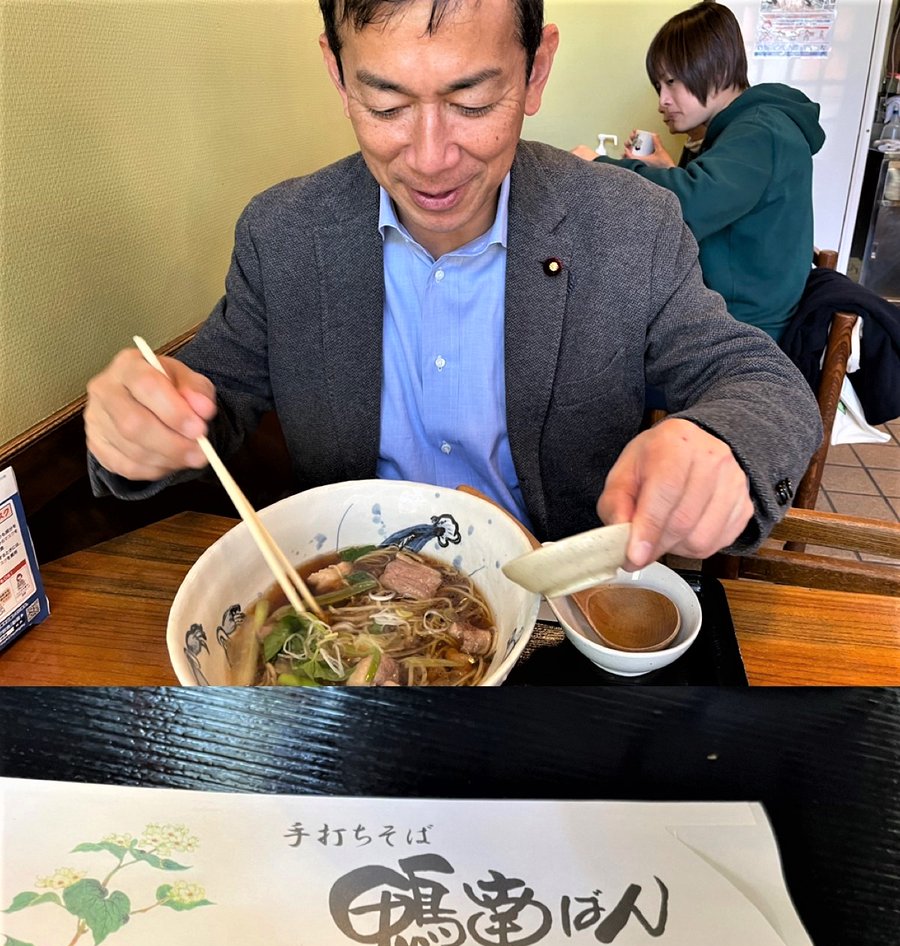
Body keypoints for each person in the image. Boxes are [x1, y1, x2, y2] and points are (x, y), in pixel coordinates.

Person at [85, 0, 822, 572]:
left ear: (536, 71)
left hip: (556, 616)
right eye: (386, 104)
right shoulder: (283, 236)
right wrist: (138, 426)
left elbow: (758, 380)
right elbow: (205, 402)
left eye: (472, 102)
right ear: (338, 74)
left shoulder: (629, 223)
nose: (431, 159)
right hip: (350, 617)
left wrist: (721, 444)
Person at [571, 1, 825, 342]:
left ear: (717, 69)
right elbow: (716, 199)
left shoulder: (760, 130)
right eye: (658, 87)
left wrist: (597, 167)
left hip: (741, 330)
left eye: (671, 82)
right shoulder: (749, 127)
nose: (662, 101)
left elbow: (690, 205)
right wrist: (667, 168)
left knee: (596, 335)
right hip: (734, 310)